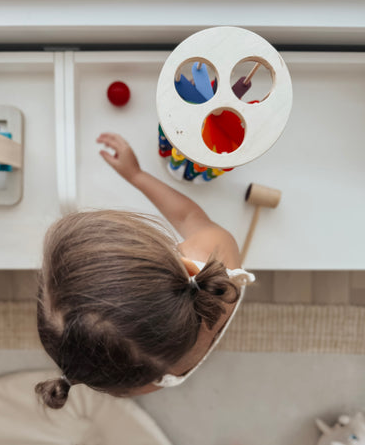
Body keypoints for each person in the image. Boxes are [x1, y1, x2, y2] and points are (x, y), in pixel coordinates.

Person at [35, 132, 254, 409]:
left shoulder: (136, 380)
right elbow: (188, 216)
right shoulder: (216, 255)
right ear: (185, 265)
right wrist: (136, 175)